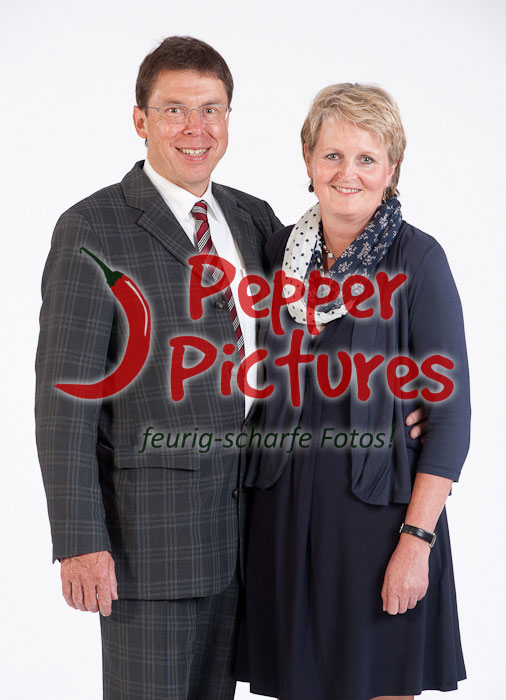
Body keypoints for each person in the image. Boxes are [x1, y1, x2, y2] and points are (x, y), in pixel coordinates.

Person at [35, 39, 426, 699]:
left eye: (211, 110)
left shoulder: (254, 221)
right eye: (175, 110)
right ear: (140, 120)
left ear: (228, 118)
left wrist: (400, 400)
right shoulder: (92, 228)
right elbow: (64, 404)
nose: (196, 128)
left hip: (250, 540)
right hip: (149, 547)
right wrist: (79, 540)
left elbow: (315, 338)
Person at [235, 83, 470, 700]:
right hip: (284, 521)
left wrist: (416, 543)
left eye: (367, 158)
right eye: (333, 155)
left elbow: (450, 422)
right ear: (308, 160)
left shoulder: (419, 261)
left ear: (392, 169)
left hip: (381, 524)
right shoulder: (276, 253)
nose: (348, 173)